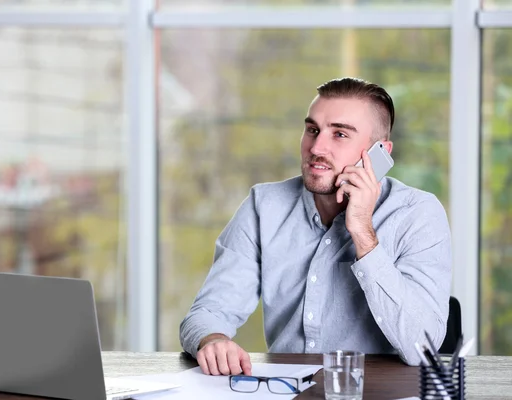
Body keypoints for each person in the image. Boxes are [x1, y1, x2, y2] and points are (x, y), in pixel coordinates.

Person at [179, 77, 452, 376]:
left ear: (380, 152)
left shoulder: (417, 214)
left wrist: (362, 232)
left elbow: (423, 349)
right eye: (312, 130)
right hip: (283, 393)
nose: (317, 147)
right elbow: (207, 313)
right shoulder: (264, 206)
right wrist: (214, 340)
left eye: (340, 134)